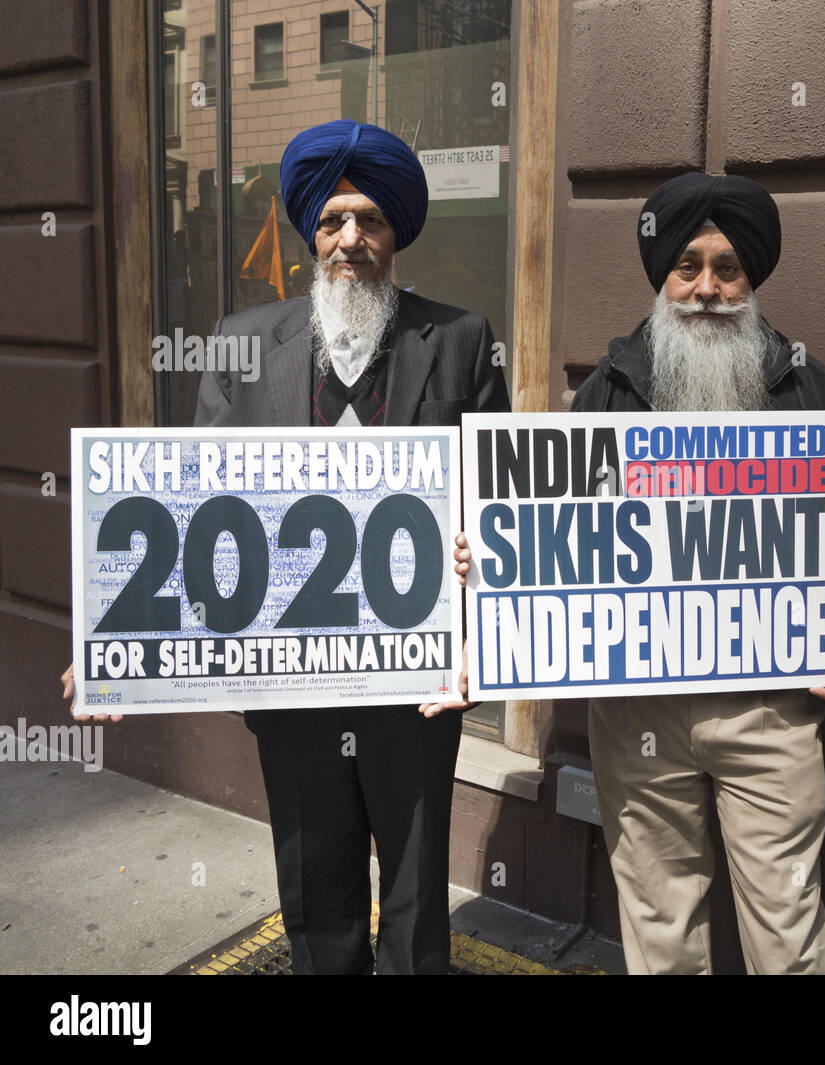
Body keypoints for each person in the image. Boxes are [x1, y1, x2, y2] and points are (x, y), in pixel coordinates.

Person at [64, 119, 509, 974]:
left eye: (370, 221)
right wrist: (111, 639)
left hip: (415, 682)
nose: (352, 240)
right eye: (335, 219)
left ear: (396, 234)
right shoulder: (243, 339)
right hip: (291, 680)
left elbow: (502, 507)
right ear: (311, 233)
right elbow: (194, 512)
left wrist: (476, 562)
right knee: (315, 894)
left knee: (417, 904)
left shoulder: (458, 340)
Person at [435, 172, 825, 973]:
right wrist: (492, 560)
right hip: (639, 713)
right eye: (687, 266)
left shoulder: (803, 386)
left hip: (771, 710)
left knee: (790, 935)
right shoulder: (608, 390)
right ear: (662, 277)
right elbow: (553, 529)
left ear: (751, 279)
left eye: (727, 268)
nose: (706, 288)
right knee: (660, 930)